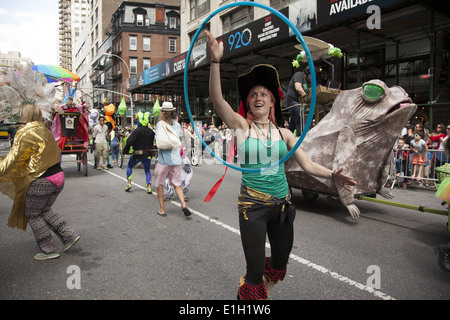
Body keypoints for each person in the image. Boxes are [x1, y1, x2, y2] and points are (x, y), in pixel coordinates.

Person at [205, 31, 357, 300]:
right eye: (253, 94)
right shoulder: (242, 128)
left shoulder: (285, 134)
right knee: (254, 274)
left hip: (283, 206)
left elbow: (308, 165)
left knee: (278, 265)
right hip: (253, 207)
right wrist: (215, 62)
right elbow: (217, 99)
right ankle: (254, 298)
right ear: (249, 103)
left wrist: (334, 175)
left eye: (264, 93)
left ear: (273, 101)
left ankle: (265, 294)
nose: (258, 97)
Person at [0, 104, 80, 260]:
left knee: (33, 214)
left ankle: (49, 249)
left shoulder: (25, 132)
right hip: (58, 176)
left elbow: (12, 160)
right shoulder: (44, 129)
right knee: (44, 210)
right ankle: (69, 235)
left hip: (42, 180)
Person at [154, 102, 192, 217]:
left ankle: (162, 210)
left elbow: (158, 140)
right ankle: (183, 204)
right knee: (177, 184)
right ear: (172, 112)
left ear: (162, 112)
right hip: (176, 160)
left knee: (159, 184)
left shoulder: (160, 124)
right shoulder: (177, 125)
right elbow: (178, 141)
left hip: (163, 160)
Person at [123, 111, 155, 194]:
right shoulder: (151, 132)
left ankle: (129, 184)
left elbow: (129, 141)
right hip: (147, 154)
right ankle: (148, 187)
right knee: (147, 171)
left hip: (137, 154)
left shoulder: (136, 131)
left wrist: (125, 150)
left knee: (129, 166)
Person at [286, 68, 311, 136]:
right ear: (306, 73)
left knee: (292, 125)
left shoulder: (309, 82)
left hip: (299, 103)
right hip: (293, 101)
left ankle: (284, 139)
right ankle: (301, 139)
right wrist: (306, 97)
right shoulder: (299, 75)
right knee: (301, 120)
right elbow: (298, 87)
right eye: (311, 75)